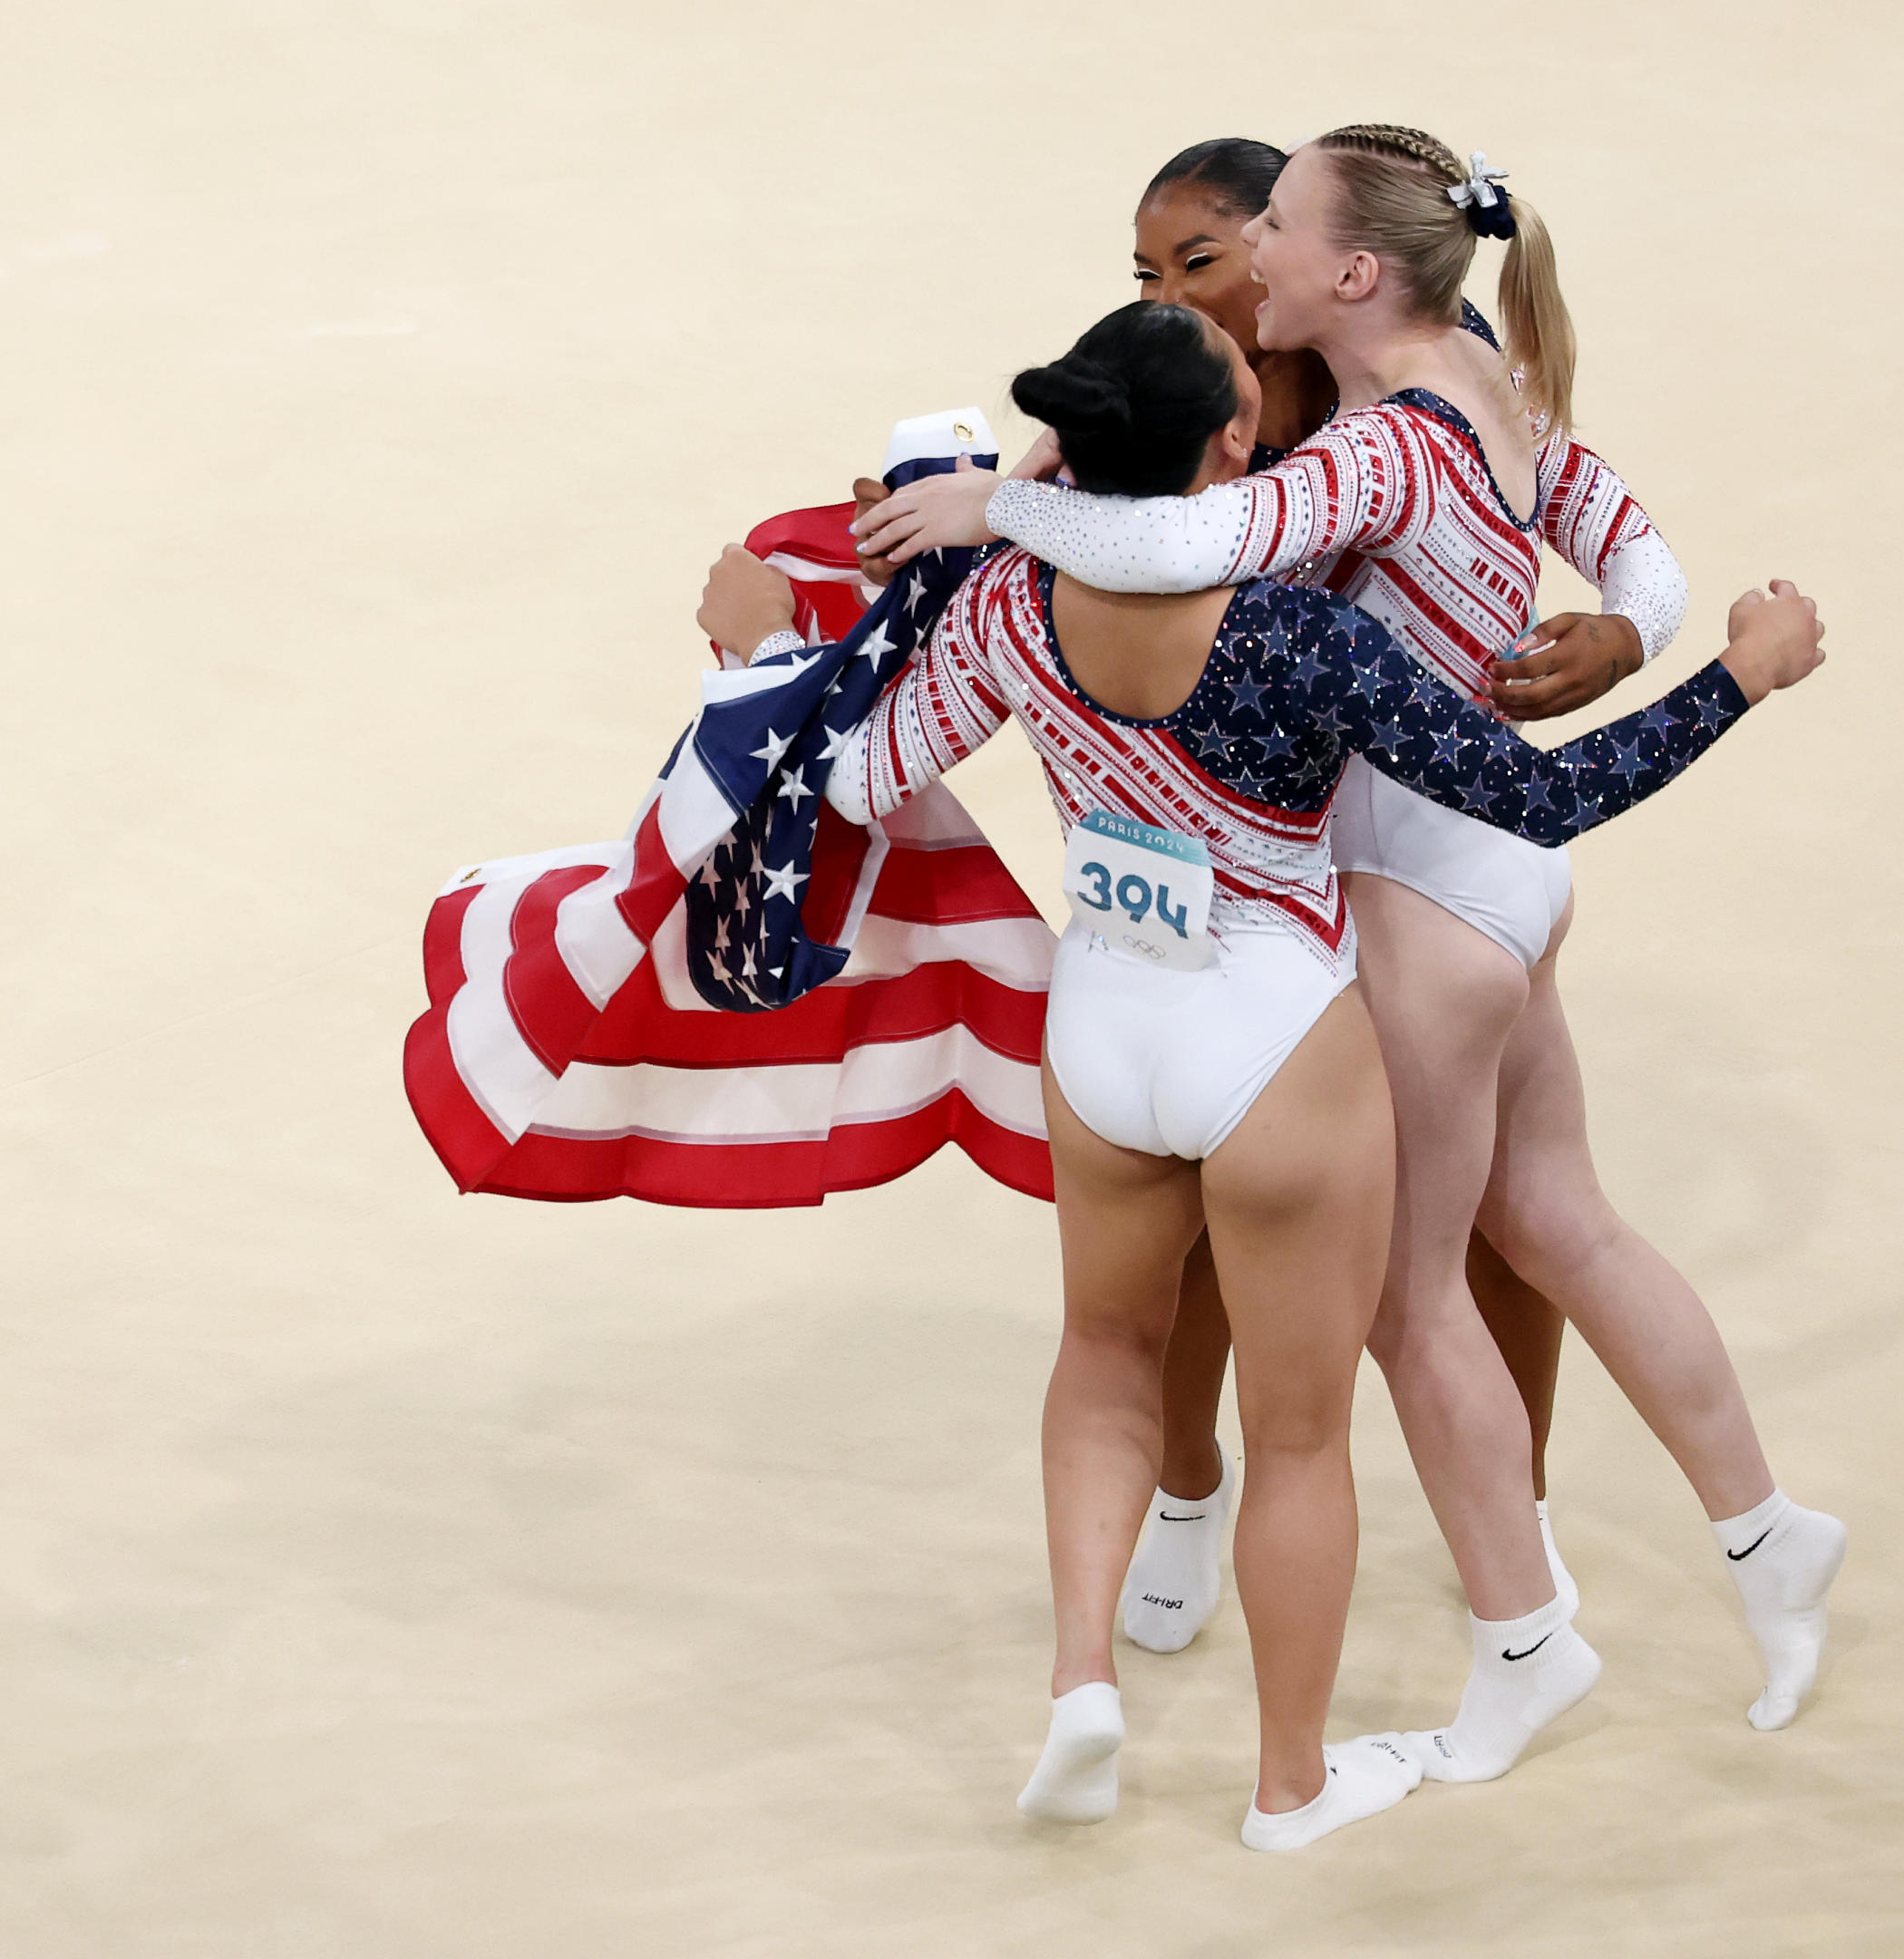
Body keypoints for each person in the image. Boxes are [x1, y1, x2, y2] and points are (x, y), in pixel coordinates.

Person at [702, 299, 1823, 1846]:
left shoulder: (1008, 609)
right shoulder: (1301, 634)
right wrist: (1738, 681)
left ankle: (1082, 1682)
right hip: (1276, 1043)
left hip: (1102, 1039)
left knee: (1103, 1354)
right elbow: (1545, 796)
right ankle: (1289, 1786)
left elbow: (861, 773)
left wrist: (764, 642)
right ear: (1234, 451)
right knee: (1301, 1436)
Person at [1109, 137, 1664, 1654]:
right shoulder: (1146, 395)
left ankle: (1518, 1505)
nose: (1179, 296)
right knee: (1188, 1208)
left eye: (1208, 259)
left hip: (1398, 863)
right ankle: (1181, 1487)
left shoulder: (1417, 380)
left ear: (1307, 265)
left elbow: (1583, 499)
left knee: (1483, 1217)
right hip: (1214, 852)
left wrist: (1625, 632)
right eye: (1146, 275)